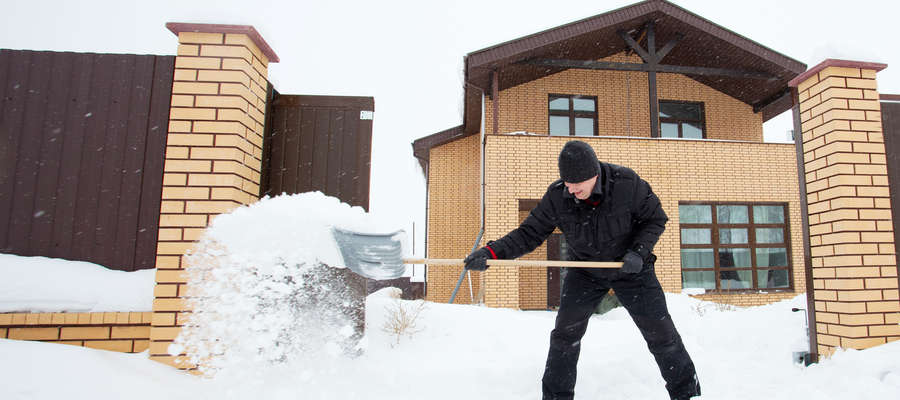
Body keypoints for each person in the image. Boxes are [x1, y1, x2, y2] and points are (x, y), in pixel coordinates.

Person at [463, 140, 701, 400]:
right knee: (565, 336)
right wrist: (491, 253)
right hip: (585, 270)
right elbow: (528, 233)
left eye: (577, 185)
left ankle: (687, 394)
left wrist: (639, 252)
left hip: (632, 269)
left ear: (594, 174)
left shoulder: (626, 183)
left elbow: (655, 219)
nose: (571, 190)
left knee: (661, 334)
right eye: (567, 183)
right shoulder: (558, 196)